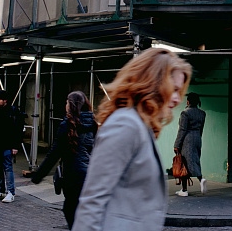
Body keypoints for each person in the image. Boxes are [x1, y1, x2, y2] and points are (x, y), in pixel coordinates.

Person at [72, 48, 192, 231]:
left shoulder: (140, 125)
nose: (177, 99)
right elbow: (92, 200)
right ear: (154, 82)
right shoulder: (125, 124)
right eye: (174, 89)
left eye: (180, 91)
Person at [31, 91, 98, 229]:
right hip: (91, 176)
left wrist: (38, 175)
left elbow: (54, 154)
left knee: (71, 211)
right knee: (84, 213)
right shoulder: (93, 123)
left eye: (67, 102)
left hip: (73, 177)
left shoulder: (67, 125)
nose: (65, 104)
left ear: (71, 105)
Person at [0, 89, 24, 203]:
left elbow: (18, 130)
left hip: (7, 145)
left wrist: (15, 146)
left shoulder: (12, 112)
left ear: (5, 100)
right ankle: (1, 190)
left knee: (8, 168)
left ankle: (10, 192)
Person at [173, 92, 207, 196]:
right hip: (197, 138)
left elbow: (182, 130)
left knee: (184, 163)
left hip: (187, 140)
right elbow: (201, 129)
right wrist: (198, 138)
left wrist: (177, 144)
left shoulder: (185, 113)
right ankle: (200, 180)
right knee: (195, 160)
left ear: (188, 102)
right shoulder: (202, 113)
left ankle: (185, 190)